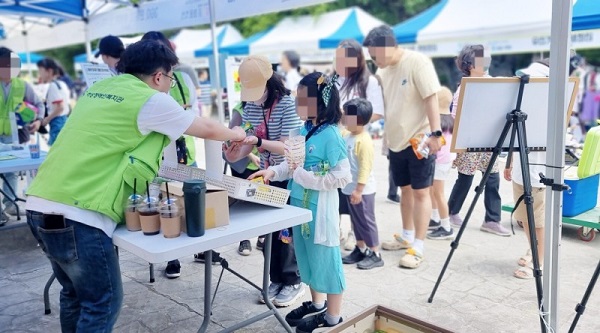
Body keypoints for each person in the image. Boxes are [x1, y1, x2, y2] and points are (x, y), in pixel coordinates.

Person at [24, 39, 246, 332]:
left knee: (74, 295)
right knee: (102, 303)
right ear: (158, 76)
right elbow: (204, 127)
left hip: (39, 205)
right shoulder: (149, 98)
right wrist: (237, 132)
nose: (169, 84)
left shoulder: (97, 91)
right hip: (80, 216)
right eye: (170, 78)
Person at [250, 72, 351, 332]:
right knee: (307, 258)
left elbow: (342, 176)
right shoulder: (302, 130)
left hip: (321, 211)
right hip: (299, 207)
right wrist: (272, 172)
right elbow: (290, 165)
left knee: (327, 261)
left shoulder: (331, 135)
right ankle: (317, 305)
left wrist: (305, 177)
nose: (297, 104)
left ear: (321, 102)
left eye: (302, 99)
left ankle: (332, 317)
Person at [223, 55, 304, 307]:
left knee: (286, 232)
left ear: (269, 81)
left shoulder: (287, 104)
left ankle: (293, 280)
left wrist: (257, 143)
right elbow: (249, 139)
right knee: (270, 230)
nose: (253, 95)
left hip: (287, 173)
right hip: (266, 176)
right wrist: (235, 151)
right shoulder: (250, 104)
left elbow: (288, 148)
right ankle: (276, 278)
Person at [363, 25, 441, 269]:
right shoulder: (382, 71)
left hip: (419, 139)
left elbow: (431, 97)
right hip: (395, 142)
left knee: (421, 192)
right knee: (404, 191)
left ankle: (418, 245)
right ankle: (407, 236)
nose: (374, 59)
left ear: (388, 46)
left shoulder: (417, 62)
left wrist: (436, 134)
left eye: (375, 54)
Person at [506, 57, 580, 279]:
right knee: (525, 218)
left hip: (538, 172)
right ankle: (534, 251)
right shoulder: (523, 102)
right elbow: (512, 133)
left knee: (537, 220)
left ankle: (538, 263)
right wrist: (509, 162)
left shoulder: (554, 105)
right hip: (521, 169)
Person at [141, 31, 202, 278]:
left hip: (186, 151)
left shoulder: (183, 79)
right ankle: (171, 258)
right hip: (157, 157)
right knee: (165, 203)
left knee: (194, 200)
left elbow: (196, 112)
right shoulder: (140, 86)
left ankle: (201, 248)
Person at [446, 44, 511, 237]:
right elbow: (455, 115)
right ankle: (451, 212)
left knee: (493, 179)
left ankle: (492, 220)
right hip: (471, 140)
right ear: (470, 64)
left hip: (489, 139)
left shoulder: (491, 81)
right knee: (465, 179)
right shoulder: (464, 88)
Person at [334, 39, 385, 251]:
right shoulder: (334, 80)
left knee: (358, 199)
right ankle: (340, 232)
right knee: (339, 190)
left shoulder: (369, 82)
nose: (338, 61)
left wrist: (353, 123)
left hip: (354, 137)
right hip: (337, 139)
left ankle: (361, 242)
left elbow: (377, 111)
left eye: (343, 57)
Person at [0, 47, 45, 225]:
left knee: (11, 171)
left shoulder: (22, 85)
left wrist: (39, 120)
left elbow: (39, 104)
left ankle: (10, 203)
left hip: (14, 135)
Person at [339, 98, 383, 270]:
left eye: (347, 117)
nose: (344, 120)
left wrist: (359, 190)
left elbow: (365, 168)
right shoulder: (347, 135)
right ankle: (361, 248)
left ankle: (375, 253)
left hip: (362, 191)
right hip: (350, 188)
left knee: (366, 221)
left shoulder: (363, 141)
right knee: (356, 221)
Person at [226, 101, 261, 256]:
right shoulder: (239, 110)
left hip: (263, 166)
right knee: (242, 203)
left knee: (261, 201)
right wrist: (251, 154)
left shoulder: (269, 107)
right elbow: (229, 138)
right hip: (243, 165)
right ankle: (244, 239)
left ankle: (263, 236)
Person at [427, 87, 456, 240]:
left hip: (439, 162)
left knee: (438, 193)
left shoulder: (437, 123)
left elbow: (439, 148)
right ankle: (435, 218)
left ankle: (446, 227)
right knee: (434, 192)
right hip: (445, 161)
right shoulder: (450, 120)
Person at [36, 58, 71, 146]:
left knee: (55, 148)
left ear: (49, 71)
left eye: (40, 71)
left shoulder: (53, 86)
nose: (40, 74)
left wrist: (46, 120)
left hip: (57, 122)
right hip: (64, 119)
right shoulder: (62, 83)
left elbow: (60, 107)